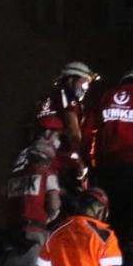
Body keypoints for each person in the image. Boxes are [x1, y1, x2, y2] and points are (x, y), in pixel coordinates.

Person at [84, 70, 133, 254]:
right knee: (125, 219)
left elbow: (88, 130)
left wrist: (88, 160)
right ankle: (115, 261)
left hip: (104, 168)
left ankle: (95, 254)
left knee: (101, 214)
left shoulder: (106, 97)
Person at [34, 61, 97, 190]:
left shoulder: (47, 96)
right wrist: (81, 160)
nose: (86, 88)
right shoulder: (67, 95)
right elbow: (73, 131)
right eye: (84, 83)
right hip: (58, 158)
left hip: (36, 156)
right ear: (71, 79)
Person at [5, 116, 65, 245]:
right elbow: (54, 204)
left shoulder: (17, 166)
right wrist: (50, 217)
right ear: (48, 133)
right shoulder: (47, 169)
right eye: (58, 136)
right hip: (35, 232)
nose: (58, 140)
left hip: (10, 232)